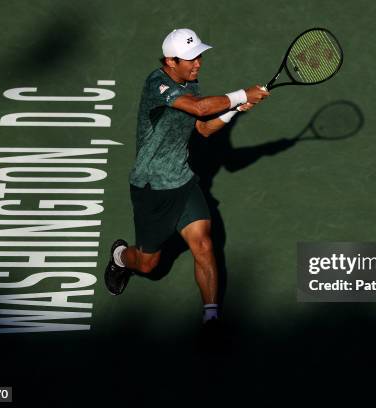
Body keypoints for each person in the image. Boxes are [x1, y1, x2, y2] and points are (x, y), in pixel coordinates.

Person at [104, 28, 270, 325]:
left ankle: (211, 317)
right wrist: (241, 94)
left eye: (199, 57)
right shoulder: (157, 84)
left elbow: (202, 128)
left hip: (182, 179)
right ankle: (119, 257)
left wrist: (233, 111)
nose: (198, 64)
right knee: (148, 264)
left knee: (204, 245)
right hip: (151, 187)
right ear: (170, 61)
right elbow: (200, 108)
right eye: (191, 59)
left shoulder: (190, 84)